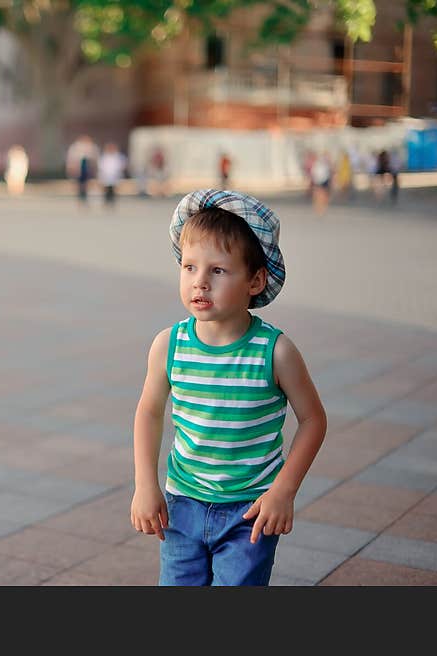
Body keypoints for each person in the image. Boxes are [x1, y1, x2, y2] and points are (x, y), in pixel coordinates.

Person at [130, 189, 327, 586]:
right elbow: (149, 412)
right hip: (182, 503)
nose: (199, 282)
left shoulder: (275, 352)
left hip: (250, 511)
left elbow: (313, 420)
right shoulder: (169, 345)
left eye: (217, 271)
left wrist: (283, 491)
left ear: (255, 280)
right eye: (189, 267)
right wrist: (145, 485)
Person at [66, 135, 99, 206]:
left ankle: (86, 199)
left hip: (87, 167)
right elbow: (71, 159)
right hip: (79, 168)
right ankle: (80, 199)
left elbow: (95, 159)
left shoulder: (92, 147)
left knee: (87, 184)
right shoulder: (75, 147)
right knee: (79, 185)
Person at [97, 142, 127, 208]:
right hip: (106, 175)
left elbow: (122, 165)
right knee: (106, 189)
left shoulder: (118, 156)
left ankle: (112, 202)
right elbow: (101, 166)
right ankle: (106, 202)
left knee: (113, 189)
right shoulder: (104, 156)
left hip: (115, 175)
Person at [310, 151, 332, 216]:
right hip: (318, 181)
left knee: (324, 195)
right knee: (318, 195)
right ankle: (319, 208)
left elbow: (329, 173)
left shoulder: (326, 164)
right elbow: (313, 172)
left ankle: (322, 207)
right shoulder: (317, 164)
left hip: (325, 180)